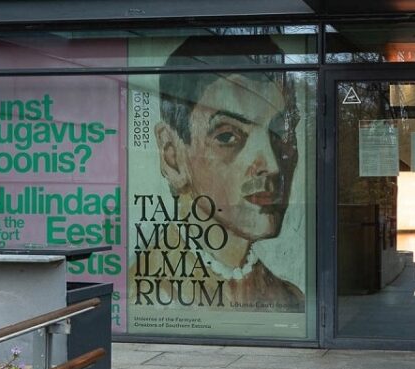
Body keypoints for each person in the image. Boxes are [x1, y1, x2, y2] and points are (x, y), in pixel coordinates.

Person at [129, 37, 304, 312]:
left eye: (280, 133)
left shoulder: (291, 299)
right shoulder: (143, 293)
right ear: (172, 155)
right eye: (227, 136)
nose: (271, 165)